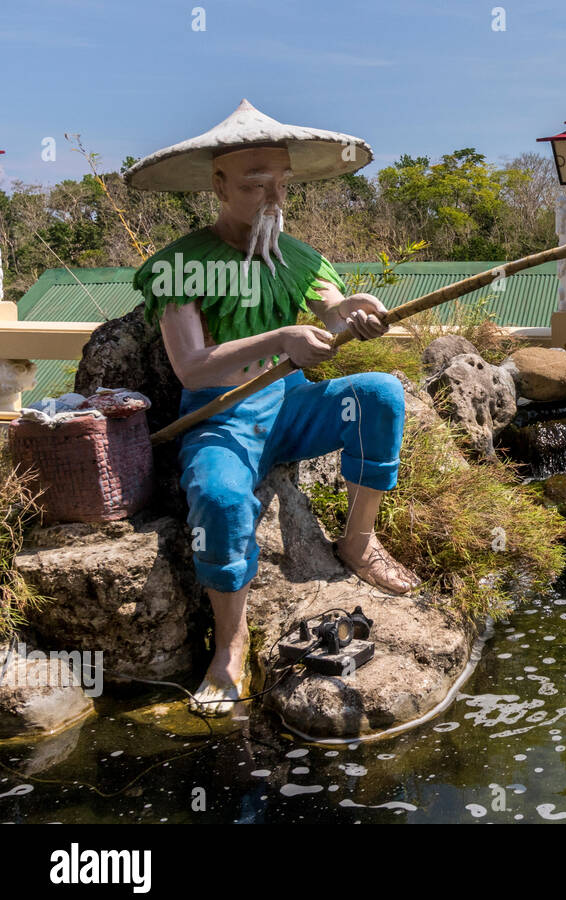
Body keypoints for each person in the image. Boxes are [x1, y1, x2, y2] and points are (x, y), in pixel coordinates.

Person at [126, 101, 419, 715]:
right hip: (221, 414)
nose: (271, 197)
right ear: (219, 184)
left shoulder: (301, 258)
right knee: (224, 497)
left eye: (281, 183)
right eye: (255, 183)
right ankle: (229, 645)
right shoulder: (183, 266)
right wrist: (277, 339)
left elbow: (333, 310)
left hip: (290, 408)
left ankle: (357, 541)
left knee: (380, 395)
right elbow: (192, 367)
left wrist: (355, 311)